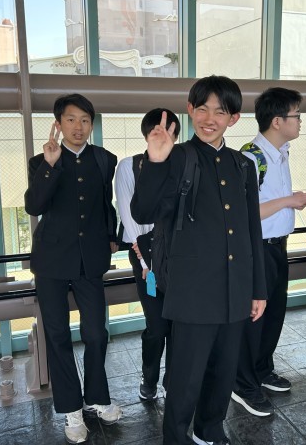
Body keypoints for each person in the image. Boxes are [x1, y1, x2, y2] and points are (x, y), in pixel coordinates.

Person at [131, 75, 267, 445]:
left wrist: (257, 289)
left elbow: (251, 231)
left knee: (223, 372)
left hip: (235, 288)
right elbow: (143, 211)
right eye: (202, 109)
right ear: (190, 110)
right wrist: (155, 160)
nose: (210, 119)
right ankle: (176, 437)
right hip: (192, 291)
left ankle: (210, 431)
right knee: (185, 377)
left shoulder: (243, 165)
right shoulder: (175, 157)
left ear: (233, 118)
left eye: (220, 112)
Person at [24, 94, 122, 444]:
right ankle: (71, 409)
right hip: (51, 260)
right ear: (58, 123)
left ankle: (96, 397)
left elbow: (106, 204)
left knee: (96, 332)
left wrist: (111, 236)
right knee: (57, 336)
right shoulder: (41, 161)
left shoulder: (105, 159)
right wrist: (50, 167)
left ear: (91, 124)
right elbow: (34, 205)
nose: (78, 127)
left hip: (90, 259)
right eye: (70, 119)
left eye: (84, 120)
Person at [232, 87, 306, 416]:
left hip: (278, 246)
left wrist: (288, 200)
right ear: (277, 121)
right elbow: (243, 211)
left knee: (274, 314)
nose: (300, 121)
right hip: (257, 250)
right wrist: (289, 200)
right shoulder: (251, 157)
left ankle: (262, 369)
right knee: (254, 318)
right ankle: (242, 383)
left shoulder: (282, 152)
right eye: (296, 115)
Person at [115, 108, 179, 400]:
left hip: (177, 254)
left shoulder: (181, 165)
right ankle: (149, 378)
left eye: (171, 132)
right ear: (147, 134)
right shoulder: (129, 166)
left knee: (178, 324)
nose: (165, 137)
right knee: (156, 326)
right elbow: (130, 216)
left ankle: (173, 381)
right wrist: (144, 262)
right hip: (145, 253)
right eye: (158, 131)